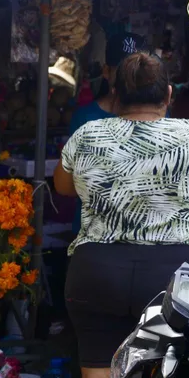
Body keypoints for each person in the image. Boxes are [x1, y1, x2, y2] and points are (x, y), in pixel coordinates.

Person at [55, 53, 189, 378]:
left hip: (97, 269)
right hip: (169, 276)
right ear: (168, 93)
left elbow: (64, 186)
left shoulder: (89, 134)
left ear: (115, 94)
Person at [68, 33, 146, 235]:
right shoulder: (85, 119)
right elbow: (67, 184)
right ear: (106, 71)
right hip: (93, 234)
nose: (129, 78)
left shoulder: (160, 116)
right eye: (122, 71)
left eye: (136, 71)